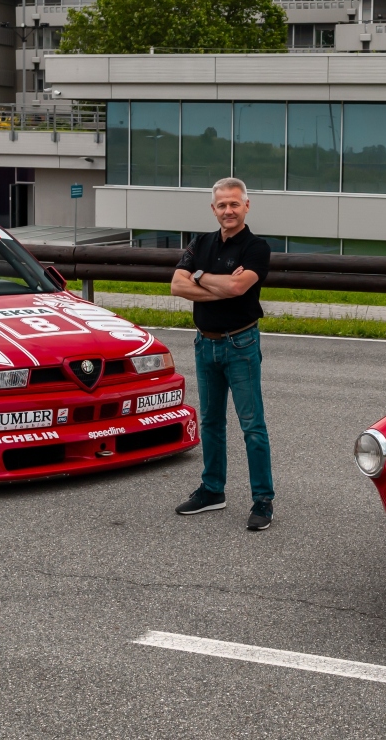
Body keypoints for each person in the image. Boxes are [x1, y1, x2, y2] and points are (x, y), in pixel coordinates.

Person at [169, 177, 274, 531]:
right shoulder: (200, 243)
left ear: (247, 205)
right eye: (221, 205)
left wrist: (200, 278)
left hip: (240, 344)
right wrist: (217, 282)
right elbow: (176, 285)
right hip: (205, 343)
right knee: (211, 422)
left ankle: (263, 500)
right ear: (213, 209)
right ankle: (213, 490)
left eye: (234, 204)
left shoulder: (256, 248)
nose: (228, 210)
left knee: (252, 426)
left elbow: (238, 286)